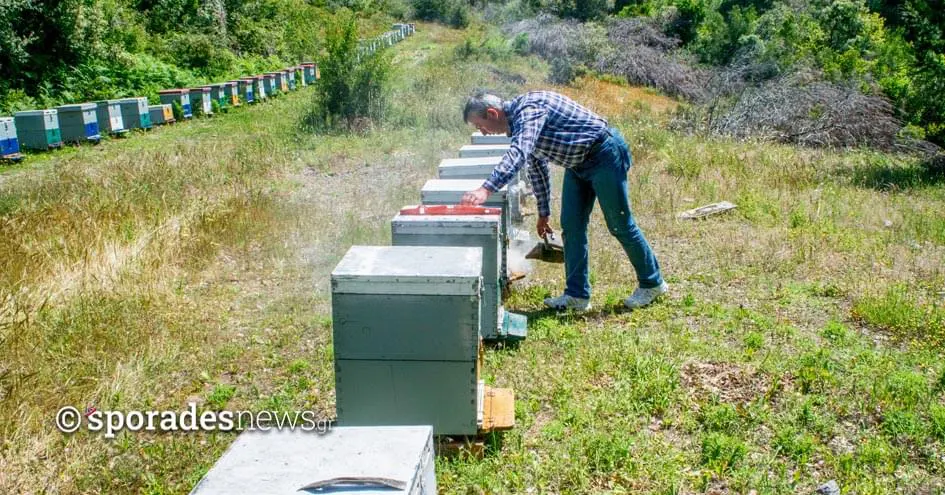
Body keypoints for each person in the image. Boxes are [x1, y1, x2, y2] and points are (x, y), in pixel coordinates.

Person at [460, 90, 668, 311]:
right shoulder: (520, 124)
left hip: (604, 153)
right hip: (577, 164)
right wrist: (543, 212)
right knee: (572, 227)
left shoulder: (529, 110)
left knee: (620, 224)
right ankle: (577, 296)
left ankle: (652, 283)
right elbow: (537, 167)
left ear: (492, 113)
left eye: (479, 125)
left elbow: (519, 153)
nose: (482, 132)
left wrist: (486, 188)